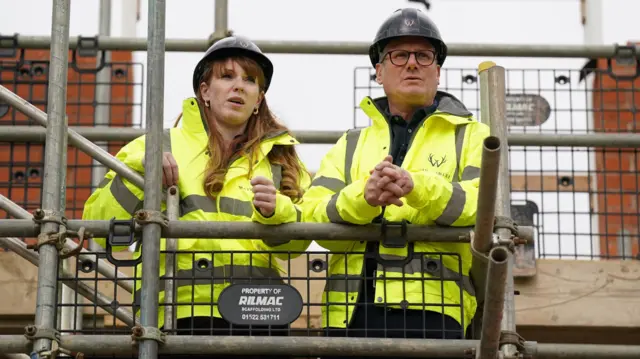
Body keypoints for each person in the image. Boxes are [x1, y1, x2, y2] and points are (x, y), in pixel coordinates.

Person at [82, 36, 311, 359]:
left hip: (260, 315)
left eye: (250, 80)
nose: (239, 87)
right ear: (205, 91)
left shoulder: (281, 159)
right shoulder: (157, 145)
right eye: (227, 76)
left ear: (259, 99)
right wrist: (141, 176)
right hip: (178, 315)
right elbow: (97, 220)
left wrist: (279, 211)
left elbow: (300, 242)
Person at [301, 8, 490, 359]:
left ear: (437, 70)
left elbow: (485, 207)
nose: (412, 64)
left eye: (423, 55)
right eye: (399, 55)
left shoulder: (473, 136)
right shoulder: (351, 143)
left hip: (433, 313)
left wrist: (417, 187)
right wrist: (364, 197)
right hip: (351, 315)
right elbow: (311, 214)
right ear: (379, 71)